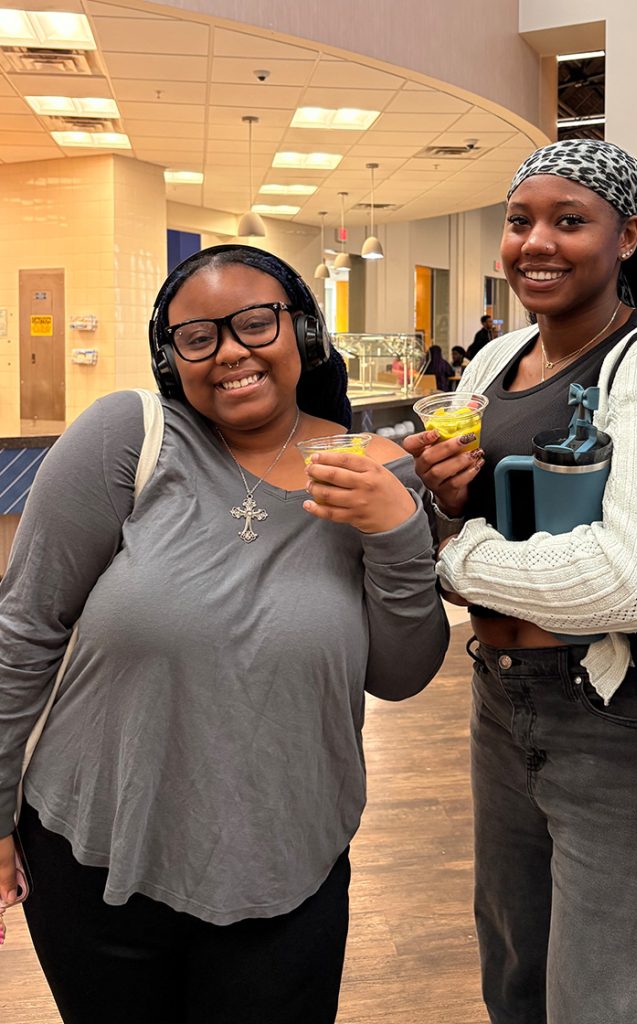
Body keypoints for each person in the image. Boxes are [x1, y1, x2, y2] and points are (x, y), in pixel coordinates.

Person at [0, 244, 449, 1023]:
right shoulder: (125, 440)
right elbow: (24, 629)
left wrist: (398, 531)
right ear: (171, 359)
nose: (231, 351)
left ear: (303, 334)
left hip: (288, 867)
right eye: (198, 337)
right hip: (97, 853)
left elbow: (401, 673)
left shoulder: (371, 472)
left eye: (254, 323)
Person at [404, 139, 637, 1023]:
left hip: (621, 718)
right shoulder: (496, 361)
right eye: (518, 221)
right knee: (514, 982)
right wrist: (442, 492)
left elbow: (636, 582)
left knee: (616, 1000)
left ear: (627, 236)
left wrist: (451, 559)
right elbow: (464, 502)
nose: (534, 242)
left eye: (568, 221)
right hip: (500, 704)